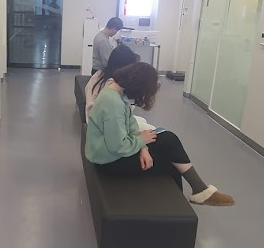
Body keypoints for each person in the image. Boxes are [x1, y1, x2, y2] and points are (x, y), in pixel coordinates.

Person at [86, 62, 235, 207]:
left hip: (112, 154)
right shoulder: (113, 103)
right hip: (109, 162)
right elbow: (117, 146)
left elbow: (131, 125)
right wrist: (141, 140)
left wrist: (143, 147)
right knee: (169, 158)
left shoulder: (116, 93)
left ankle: (196, 193)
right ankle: (192, 197)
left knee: (168, 140)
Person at [85, 44, 154, 131]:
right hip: (104, 125)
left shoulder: (99, 74)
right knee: (152, 130)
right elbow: (121, 113)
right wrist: (140, 137)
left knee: (143, 120)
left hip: (93, 117)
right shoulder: (114, 86)